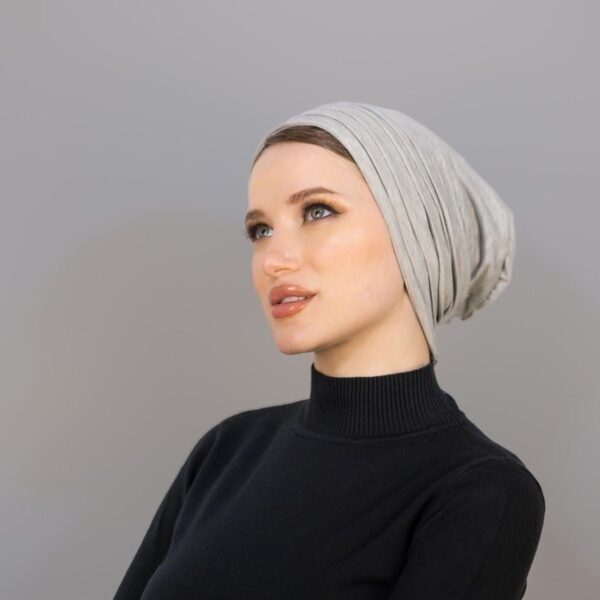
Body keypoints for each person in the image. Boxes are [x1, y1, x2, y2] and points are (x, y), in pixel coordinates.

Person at [114, 101, 545, 599]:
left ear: (417, 233)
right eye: (261, 230)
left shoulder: (481, 490)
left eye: (317, 211)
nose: (273, 260)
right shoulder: (229, 450)